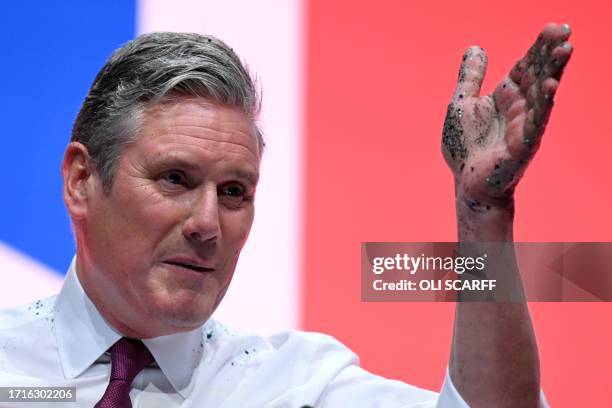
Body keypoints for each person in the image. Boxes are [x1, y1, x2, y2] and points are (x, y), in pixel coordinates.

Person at [0, 23, 572, 407]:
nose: (207, 224)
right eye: (175, 179)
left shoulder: (298, 386)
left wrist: (484, 213)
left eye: (233, 192)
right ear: (81, 180)